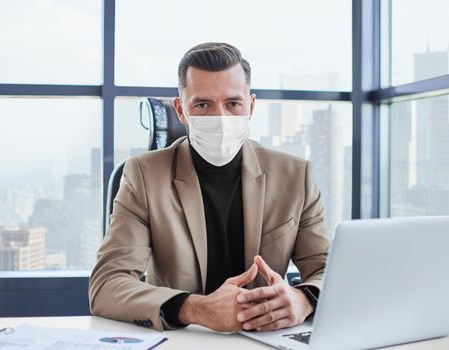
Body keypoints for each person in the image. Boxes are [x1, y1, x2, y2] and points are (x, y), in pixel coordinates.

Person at [89, 42, 330, 332]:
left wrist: (304, 299)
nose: (221, 118)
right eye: (203, 105)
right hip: (185, 340)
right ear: (181, 110)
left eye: (233, 103)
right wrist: (195, 309)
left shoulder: (294, 175)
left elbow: (327, 270)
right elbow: (106, 285)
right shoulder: (144, 175)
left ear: (250, 106)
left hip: (267, 338)